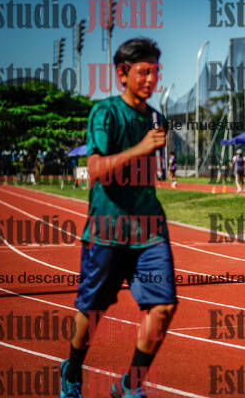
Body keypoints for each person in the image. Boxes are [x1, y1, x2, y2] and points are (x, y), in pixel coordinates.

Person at [59, 38, 177, 398]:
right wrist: (140, 148)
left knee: (163, 307)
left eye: (155, 71)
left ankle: (130, 385)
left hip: (150, 230)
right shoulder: (104, 113)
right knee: (91, 310)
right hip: (107, 230)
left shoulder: (156, 118)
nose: (151, 79)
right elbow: (95, 170)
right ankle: (72, 371)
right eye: (144, 71)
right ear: (122, 73)